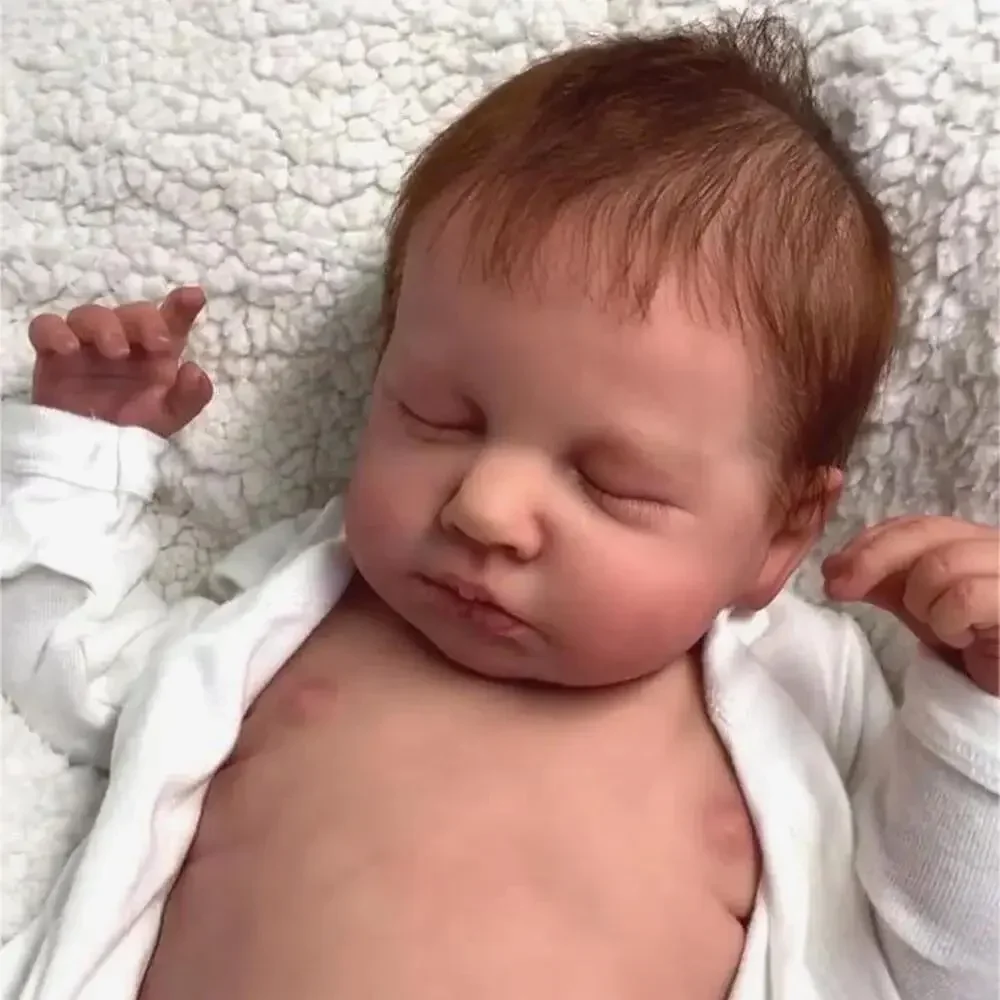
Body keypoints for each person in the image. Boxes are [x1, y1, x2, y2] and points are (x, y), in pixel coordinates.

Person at [2, 12, 997, 1000]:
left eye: (609, 481)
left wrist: (977, 714)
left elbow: (950, 962)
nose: (484, 508)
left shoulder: (805, 689)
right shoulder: (298, 607)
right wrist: (87, 448)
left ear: (780, 532)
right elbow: (75, 679)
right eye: (438, 417)